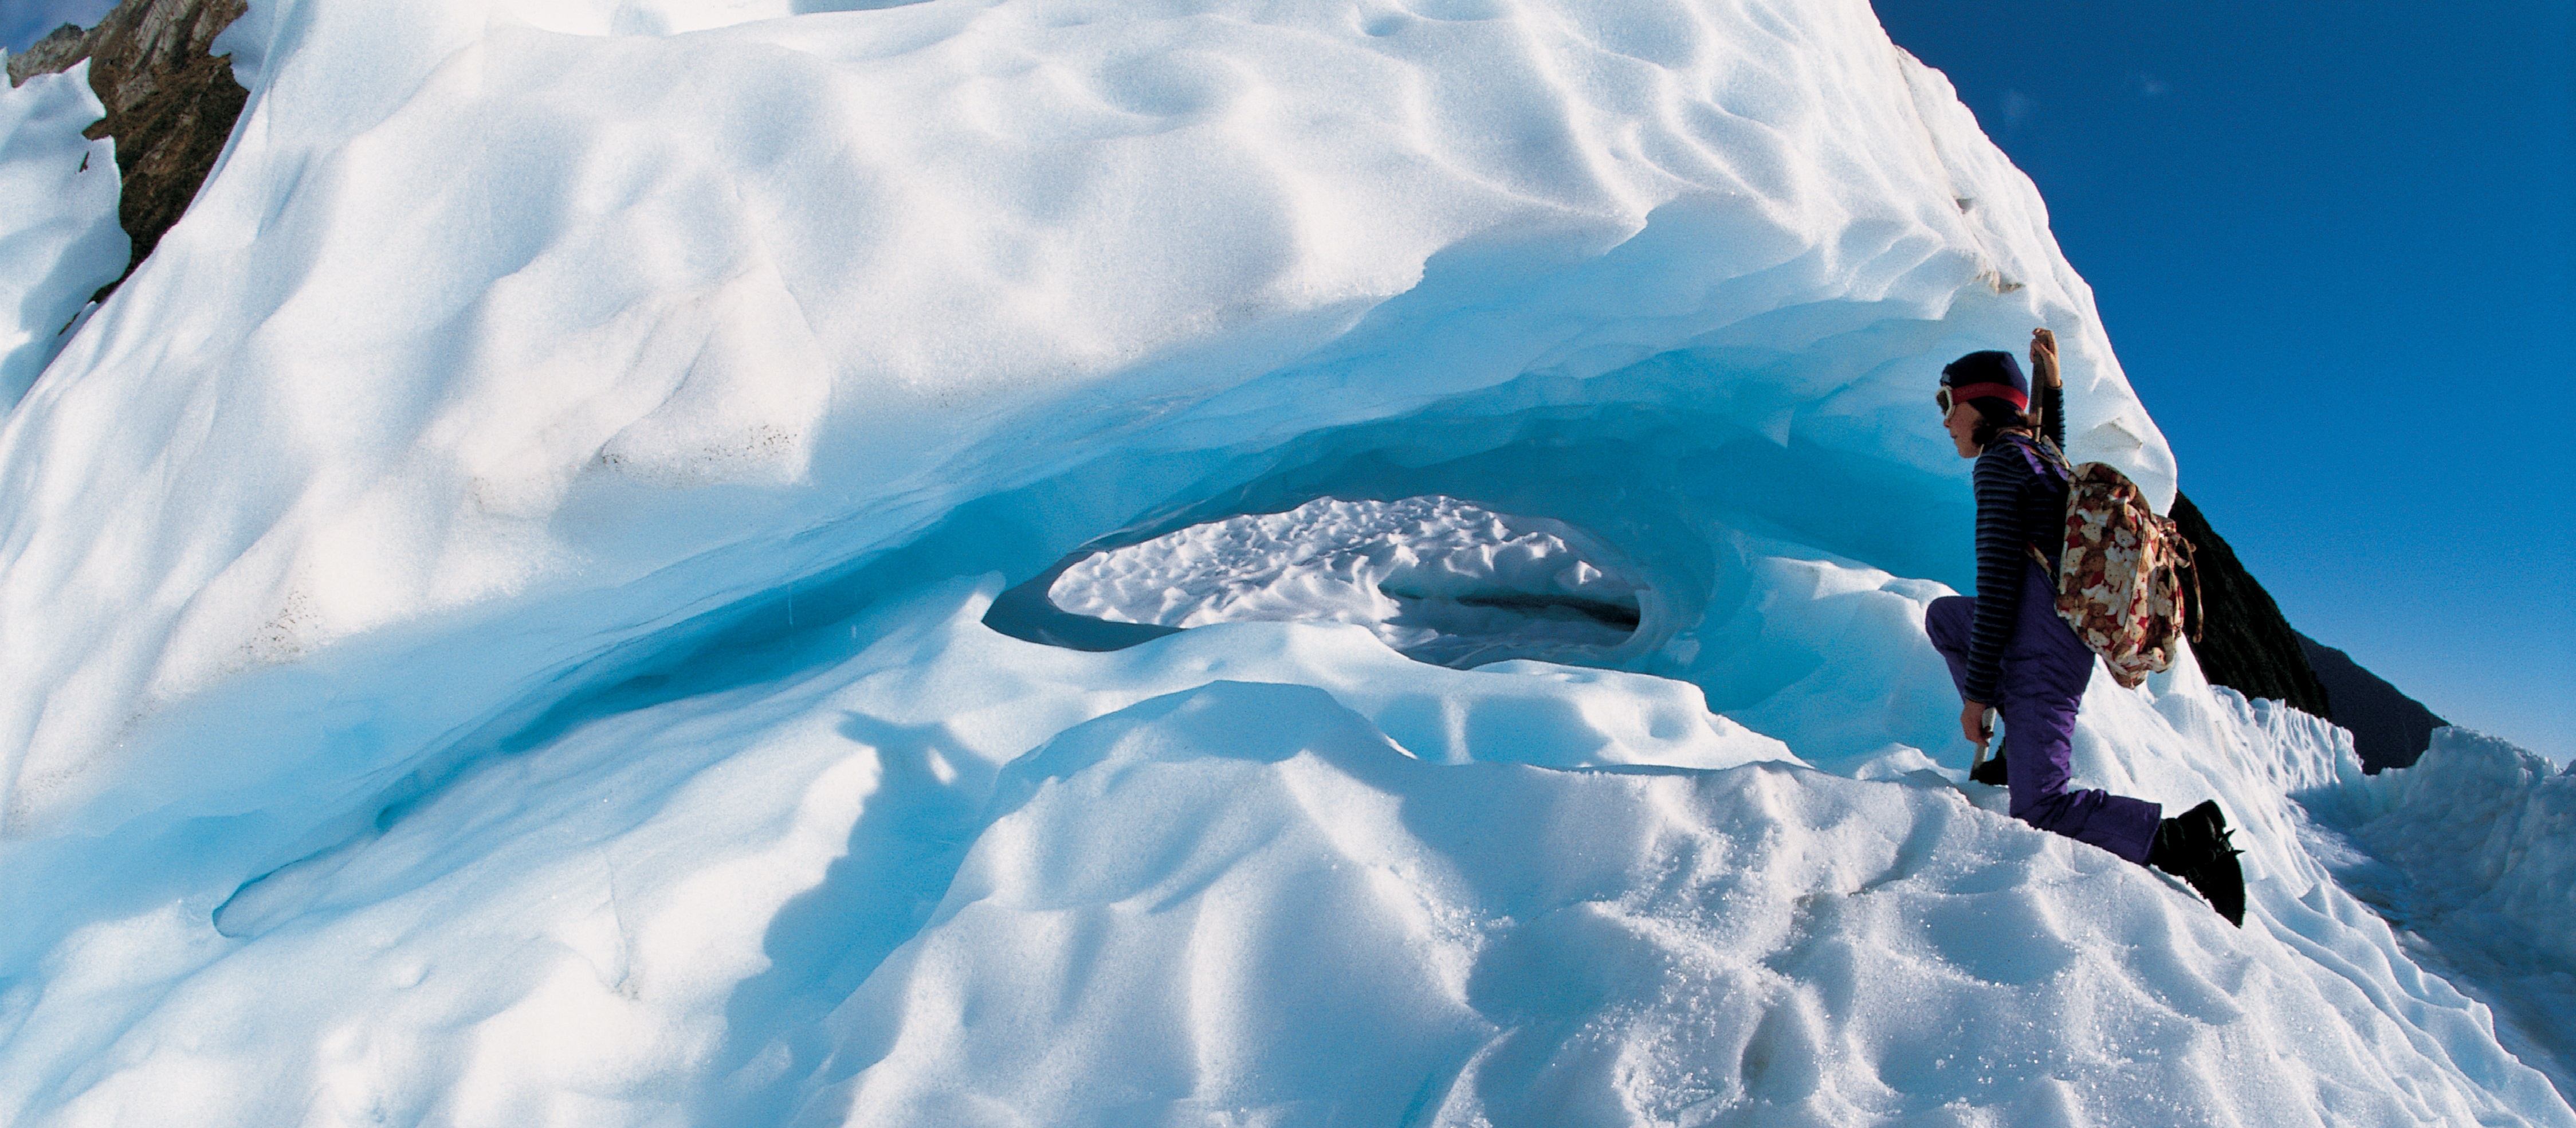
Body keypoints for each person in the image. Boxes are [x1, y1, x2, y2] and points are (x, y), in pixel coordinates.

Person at [1923, 328, 2247, 925]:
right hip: (2047, 631)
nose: (1944, 420)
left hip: (2040, 648)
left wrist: (1975, 698)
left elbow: (1997, 586)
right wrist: (2050, 383)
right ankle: (2019, 745)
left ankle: (2182, 842)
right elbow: (2048, 439)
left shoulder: (1998, 465)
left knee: (2040, 806)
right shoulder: (2037, 456)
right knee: (1945, 618)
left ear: (1981, 406)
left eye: (1948, 403)